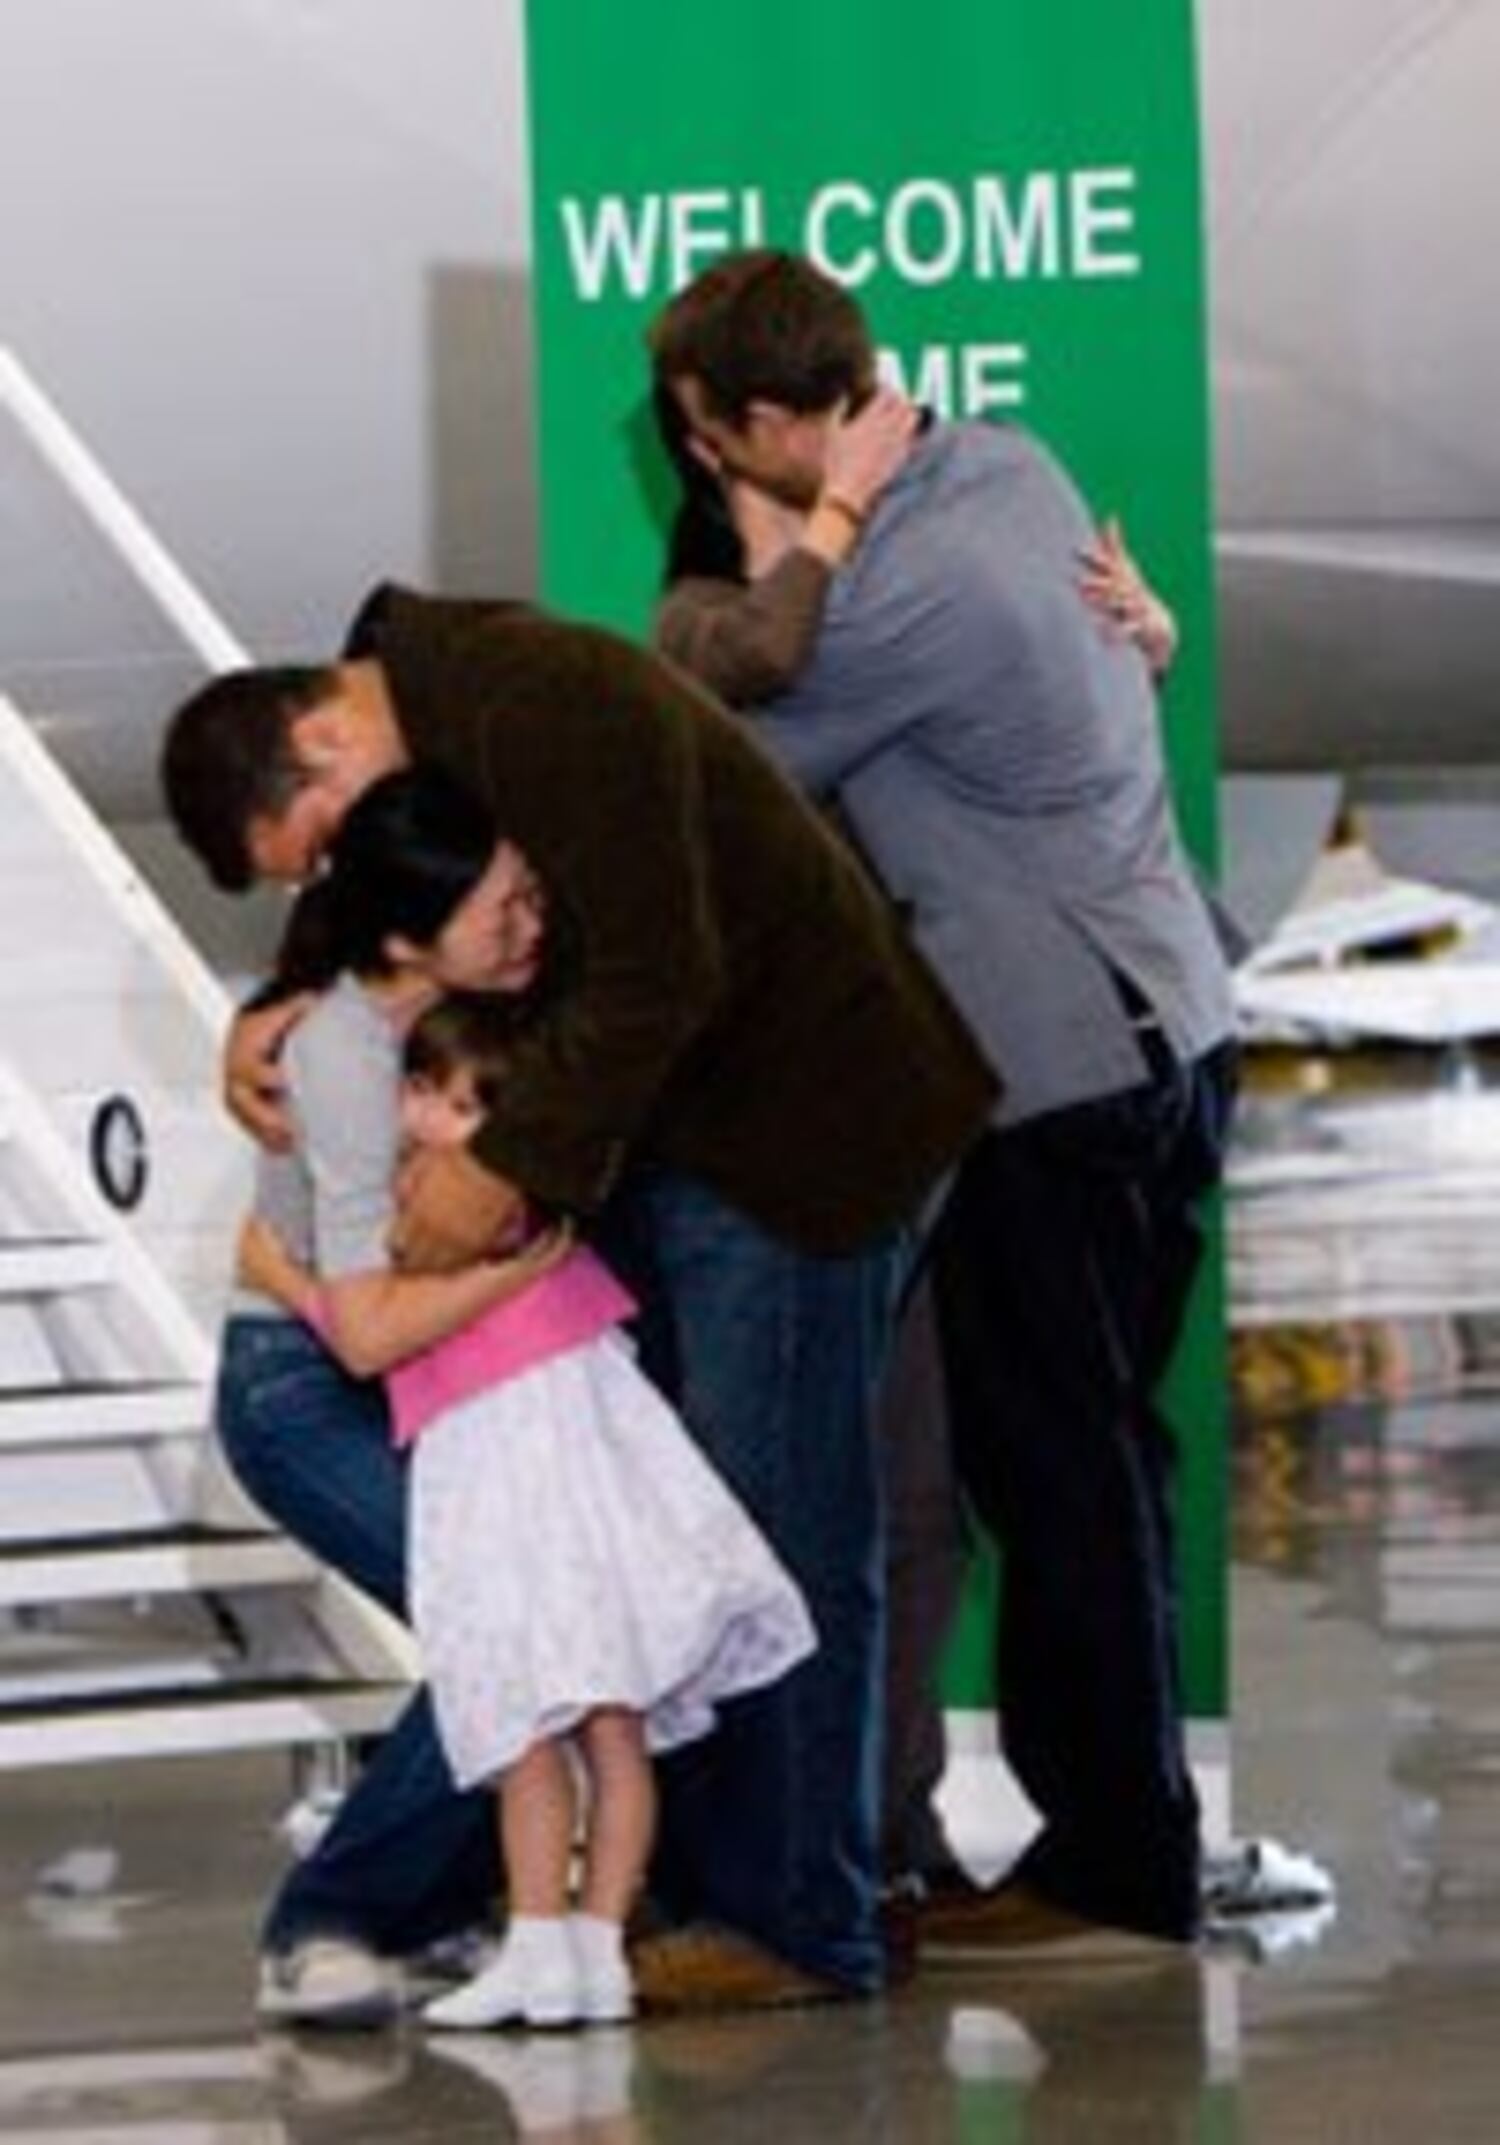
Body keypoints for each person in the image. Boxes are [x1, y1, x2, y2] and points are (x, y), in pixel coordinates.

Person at [160, 589, 995, 2017]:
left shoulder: (536, 698)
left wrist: (498, 1174)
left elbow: (663, 966)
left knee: (766, 1529)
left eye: (318, 856)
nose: (337, 890)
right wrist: (283, 1016)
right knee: (647, 1567)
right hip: (696, 1154)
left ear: (324, 741)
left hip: (791, 1142)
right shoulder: (458, 727)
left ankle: (792, 1922)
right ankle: (694, 1897)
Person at [649, 249, 1238, 1951]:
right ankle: (1134, 1831)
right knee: (1108, 1455)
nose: (696, 460)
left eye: (704, 433)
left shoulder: (880, 605)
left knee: (1053, 1478)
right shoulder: (1010, 466)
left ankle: (1110, 1866)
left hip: (1056, 1071)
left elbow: (720, 763)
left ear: (773, 425)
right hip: (1173, 1020)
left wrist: (786, 540)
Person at [238, 769, 815, 2031]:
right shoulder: (346, 1055)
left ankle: (525, 1926)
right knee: (502, 1646)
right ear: (410, 936)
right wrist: (518, 1271)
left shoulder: (483, 1015)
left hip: (487, 1381)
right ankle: (336, 1925)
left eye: (532, 897)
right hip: (315, 1378)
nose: (530, 924)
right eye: (501, 908)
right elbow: (366, 1333)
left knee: (544, 1652)